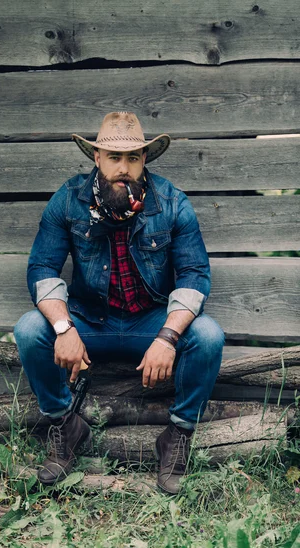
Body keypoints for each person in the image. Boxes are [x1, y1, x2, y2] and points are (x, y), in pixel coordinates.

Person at [14, 112, 224, 494]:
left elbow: (195, 275)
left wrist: (167, 338)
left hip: (149, 323)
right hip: (89, 322)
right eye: (114, 157)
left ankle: (177, 434)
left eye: (133, 158)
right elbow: (42, 267)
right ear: (96, 157)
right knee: (29, 329)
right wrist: (64, 328)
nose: (123, 168)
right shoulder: (68, 199)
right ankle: (65, 423)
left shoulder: (173, 203)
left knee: (208, 335)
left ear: (145, 159)